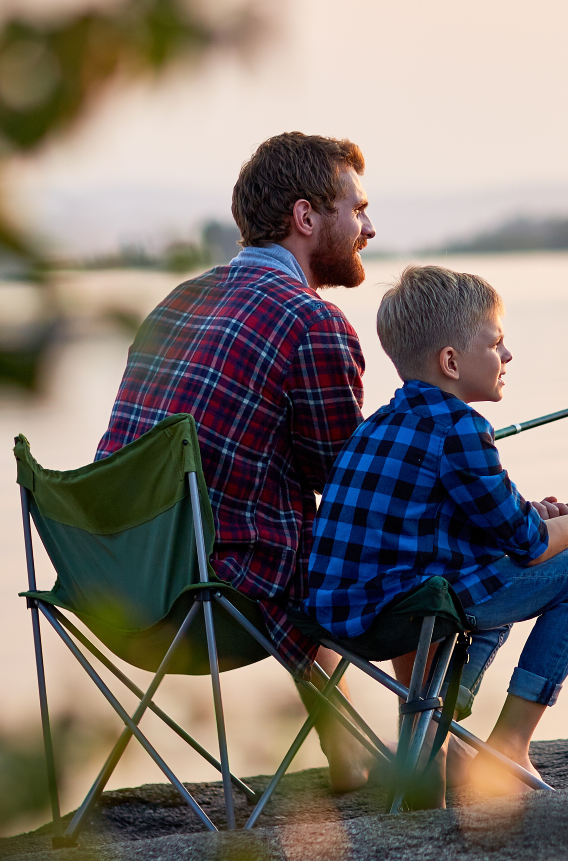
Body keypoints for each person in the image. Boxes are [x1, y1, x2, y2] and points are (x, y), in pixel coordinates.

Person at [94, 132, 379, 789]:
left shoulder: (177, 301)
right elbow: (345, 491)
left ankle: (349, 752)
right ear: (307, 218)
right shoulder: (313, 323)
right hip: (209, 603)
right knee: (380, 542)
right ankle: (422, 758)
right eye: (357, 209)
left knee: (290, 533)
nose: (369, 227)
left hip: (115, 586)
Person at [298, 264, 568, 804]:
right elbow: (528, 544)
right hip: (407, 616)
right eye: (497, 343)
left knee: (488, 568)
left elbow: (469, 517)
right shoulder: (461, 428)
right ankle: (510, 744)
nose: (507, 356)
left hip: (340, 619)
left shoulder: (377, 425)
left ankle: (441, 743)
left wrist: (538, 512)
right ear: (451, 362)